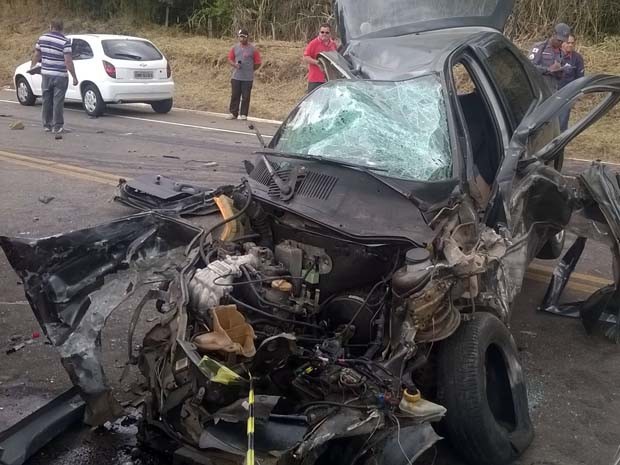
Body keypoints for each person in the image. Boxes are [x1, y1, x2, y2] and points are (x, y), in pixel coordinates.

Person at [31, 18, 78, 138]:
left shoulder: (42, 38)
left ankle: (47, 125)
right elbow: (68, 61)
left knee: (46, 100)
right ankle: (57, 127)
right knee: (58, 102)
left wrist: (32, 66)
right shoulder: (65, 41)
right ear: (62, 28)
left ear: (51, 26)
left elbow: (37, 54)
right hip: (60, 76)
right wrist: (74, 77)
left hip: (46, 74)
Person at [226, 28, 262, 121]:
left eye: (244, 37)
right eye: (240, 37)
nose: (242, 39)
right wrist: (234, 65)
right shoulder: (235, 47)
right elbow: (230, 58)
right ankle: (233, 113)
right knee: (235, 95)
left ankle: (243, 114)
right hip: (236, 76)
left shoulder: (253, 49)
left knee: (246, 96)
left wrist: (251, 69)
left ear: (247, 37)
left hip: (247, 78)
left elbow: (258, 62)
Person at [528, 23, 571, 92]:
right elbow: (529, 68)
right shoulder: (540, 47)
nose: (560, 43)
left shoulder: (561, 53)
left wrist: (561, 71)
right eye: (558, 40)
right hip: (537, 89)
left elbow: (559, 77)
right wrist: (548, 69)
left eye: (562, 41)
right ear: (553, 34)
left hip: (552, 90)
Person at [558, 34, 585, 130]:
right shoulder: (554, 55)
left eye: (572, 43)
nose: (570, 45)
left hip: (567, 95)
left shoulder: (577, 58)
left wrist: (577, 95)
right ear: (562, 43)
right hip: (552, 92)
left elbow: (580, 78)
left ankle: (560, 143)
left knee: (563, 121)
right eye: (568, 42)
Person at [303, 23, 337, 93]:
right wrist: (317, 62)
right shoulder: (313, 43)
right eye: (322, 32)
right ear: (319, 33)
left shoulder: (333, 44)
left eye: (327, 32)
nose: (324, 34)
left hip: (329, 80)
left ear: (330, 34)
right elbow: (305, 57)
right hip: (315, 80)